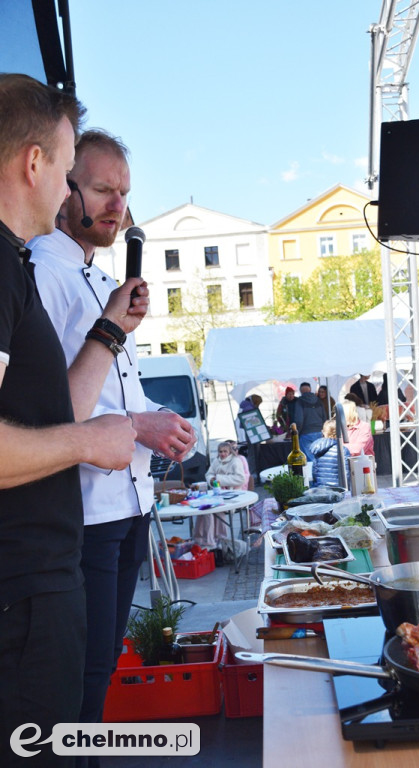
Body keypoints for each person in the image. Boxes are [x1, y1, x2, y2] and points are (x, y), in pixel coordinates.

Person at [29, 129, 196, 751]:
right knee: (82, 668)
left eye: (124, 193)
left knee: (101, 661)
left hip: (127, 502)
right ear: (64, 185)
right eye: (102, 189)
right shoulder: (45, 271)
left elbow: (112, 393)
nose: (117, 206)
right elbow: (46, 408)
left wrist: (162, 420)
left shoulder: (95, 278)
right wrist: (138, 426)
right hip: (84, 508)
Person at [0, 75, 138, 767]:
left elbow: (52, 409)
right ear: (35, 165)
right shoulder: (13, 266)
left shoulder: (18, 268)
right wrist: (95, 439)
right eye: (64, 168)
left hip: (45, 570)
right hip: (26, 580)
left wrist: (111, 328)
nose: (65, 194)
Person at [194, 442, 245, 549]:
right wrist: (211, 480)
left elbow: (241, 479)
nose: (222, 454)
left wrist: (219, 479)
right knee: (203, 508)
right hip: (217, 493)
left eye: (225, 451)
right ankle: (202, 538)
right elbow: (209, 474)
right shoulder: (216, 461)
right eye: (220, 451)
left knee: (212, 510)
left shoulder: (236, 461)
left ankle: (214, 539)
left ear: (229, 451)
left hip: (233, 494)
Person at [310, 419, 351, 489]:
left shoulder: (318, 448)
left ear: (323, 432)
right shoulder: (343, 450)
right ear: (339, 433)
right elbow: (346, 474)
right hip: (338, 489)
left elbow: (314, 472)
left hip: (320, 489)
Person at [294, 382, 326, 462]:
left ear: (301, 391)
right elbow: (324, 417)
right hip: (320, 432)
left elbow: (299, 420)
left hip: (306, 434)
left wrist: (297, 433)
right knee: (320, 458)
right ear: (310, 389)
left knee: (309, 461)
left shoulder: (299, 402)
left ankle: (311, 474)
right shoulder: (319, 401)